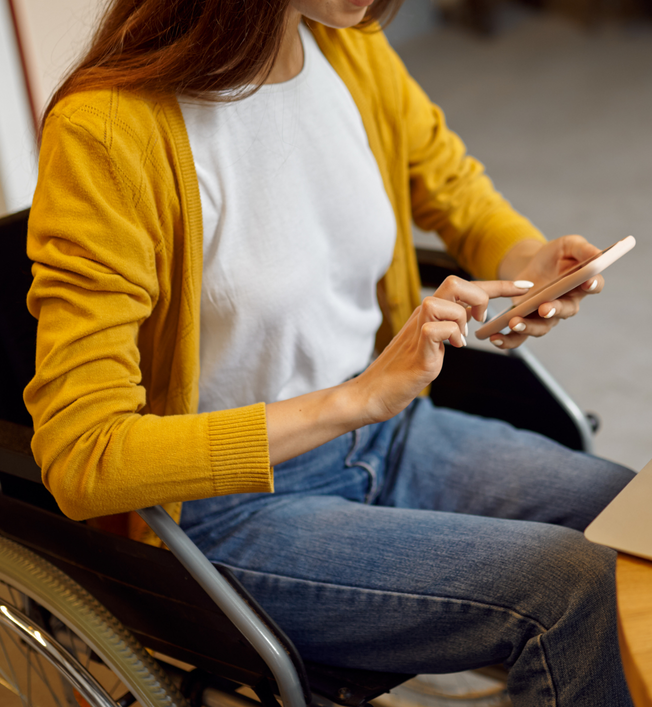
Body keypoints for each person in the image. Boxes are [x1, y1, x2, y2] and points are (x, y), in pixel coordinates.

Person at [24, 0, 635, 703]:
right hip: (234, 510)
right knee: (570, 584)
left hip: (389, 434)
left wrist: (530, 260)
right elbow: (81, 454)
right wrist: (354, 398)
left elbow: (450, 185)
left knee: (629, 515)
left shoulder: (347, 47)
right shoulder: (107, 132)